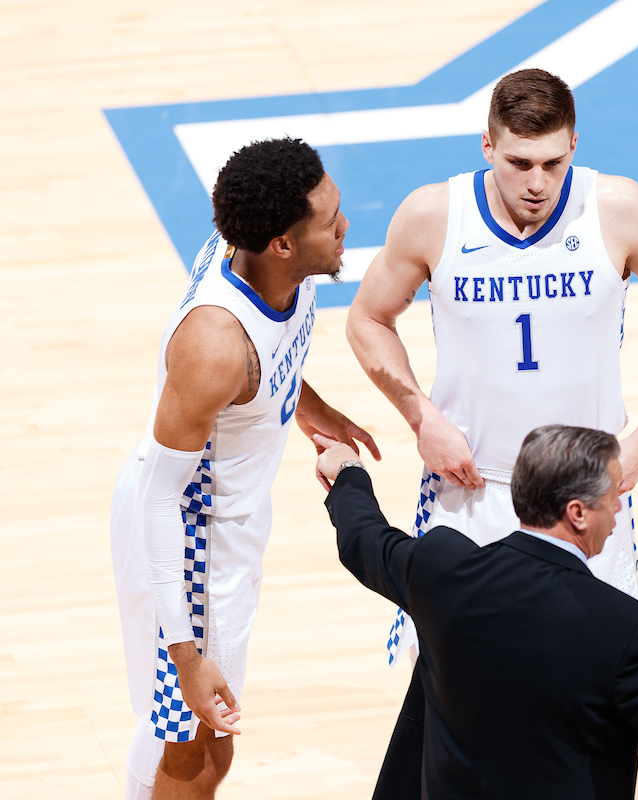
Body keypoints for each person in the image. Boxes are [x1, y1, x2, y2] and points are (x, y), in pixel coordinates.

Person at [346, 68, 638, 794]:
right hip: (471, 487)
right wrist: (419, 415)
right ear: (486, 145)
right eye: (518, 162)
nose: (537, 182)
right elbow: (368, 318)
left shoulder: (617, 207)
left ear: (575, 145)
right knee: (454, 683)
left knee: (602, 678)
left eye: (554, 162)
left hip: (584, 507)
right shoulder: (433, 215)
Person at [317, 425, 638, 798]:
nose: (619, 509)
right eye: (612, 496)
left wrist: (348, 472)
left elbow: (363, 540)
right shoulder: (623, 626)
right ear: (577, 512)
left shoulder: (441, 567)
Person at [109, 138, 379, 800]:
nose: (345, 228)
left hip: (229, 528)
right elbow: (156, 501)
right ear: (283, 244)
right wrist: (187, 656)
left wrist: (309, 409)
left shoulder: (273, 262)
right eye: (329, 221)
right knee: (196, 754)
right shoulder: (214, 347)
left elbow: (271, 356)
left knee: (207, 745)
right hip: (186, 541)